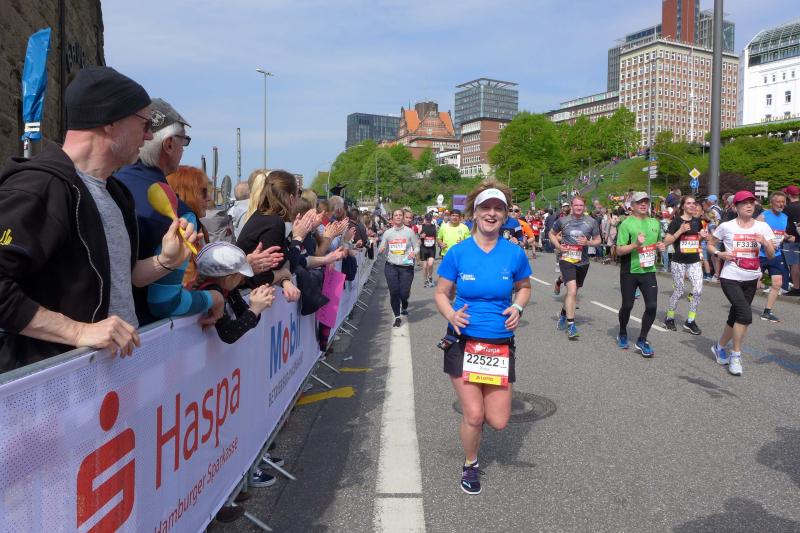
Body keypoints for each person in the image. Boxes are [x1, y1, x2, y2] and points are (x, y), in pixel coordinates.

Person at [0, 66, 199, 370]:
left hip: (112, 378)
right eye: (144, 124)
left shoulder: (116, 192)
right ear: (110, 122)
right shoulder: (41, 186)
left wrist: (166, 261)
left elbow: (125, 276)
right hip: (58, 384)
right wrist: (78, 332)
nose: (149, 136)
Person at [434, 180, 531, 495]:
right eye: (485, 208)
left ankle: (475, 430)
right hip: (463, 341)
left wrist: (518, 306)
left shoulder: (514, 254)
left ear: (505, 215)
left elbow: (524, 287)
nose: (491, 213)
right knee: (474, 415)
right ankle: (471, 463)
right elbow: (441, 293)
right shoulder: (458, 252)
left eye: (498, 209)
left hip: (498, 345)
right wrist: (451, 315)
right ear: (474, 213)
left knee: (499, 421)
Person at [116, 98, 225, 327]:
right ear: (168, 145)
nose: (183, 150)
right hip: (139, 335)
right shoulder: (179, 214)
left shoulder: (108, 185)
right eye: (184, 142)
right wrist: (213, 298)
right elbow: (166, 303)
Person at [707, 191, 775, 376]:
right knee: (744, 315)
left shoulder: (762, 227)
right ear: (736, 207)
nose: (749, 205)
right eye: (744, 203)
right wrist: (720, 254)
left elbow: (771, 255)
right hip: (730, 277)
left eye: (752, 202)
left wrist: (765, 243)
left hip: (751, 278)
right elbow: (711, 244)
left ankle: (719, 347)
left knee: (735, 316)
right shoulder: (726, 226)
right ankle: (735, 355)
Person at [236, 170, 303, 301]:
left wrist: (284, 280)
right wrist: (284, 273)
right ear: (291, 198)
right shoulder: (274, 222)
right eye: (298, 195)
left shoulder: (262, 216)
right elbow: (261, 277)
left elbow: (270, 266)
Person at [615, 192, 665, 357]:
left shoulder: (655, 223)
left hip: (648, 271)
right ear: (632, 206)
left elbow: (657, 242)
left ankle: (642, 340)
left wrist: (660, 246)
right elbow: (619, 250)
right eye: (639, 202)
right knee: (627, 305)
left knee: (652, 306)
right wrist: (635, 244)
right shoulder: (626, 224)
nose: (643, 205)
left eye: (646, 202)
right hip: (629, 271)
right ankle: (622, 332)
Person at [195, 242, 275, 344]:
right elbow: (229, 334)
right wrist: (255, 309)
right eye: (241, 275)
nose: (243, 279)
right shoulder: (212, 290)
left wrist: (256, 305)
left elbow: (246, 316)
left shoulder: (228, 288)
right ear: (228, 279)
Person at [548, 196, 601, 339]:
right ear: (571, 206)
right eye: (576, 205)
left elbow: (598, 240)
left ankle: (563, 314)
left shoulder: (591, 222)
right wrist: (558, 246)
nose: (578, 207)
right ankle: (571, 325)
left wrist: (588, 243)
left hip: (583, 262)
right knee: (571, 291)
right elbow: (551, 234)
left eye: (581, 205)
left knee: (573, 293)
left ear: (585, 207)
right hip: (567, 259)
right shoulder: (563, 221)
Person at [662, 195, 708, 334]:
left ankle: (690, 321)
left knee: (698, 290)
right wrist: (680, 231)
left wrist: (702, 237)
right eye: (688, 203)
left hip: (694, 261)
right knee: (679, 291)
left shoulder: (697, 221)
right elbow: (666, 242)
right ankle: (669, 318)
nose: (692, 205)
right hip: (679, 261)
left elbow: (696, 241)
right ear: (682, 206)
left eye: (694, 203)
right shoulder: (676, 221)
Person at [756, 191, 794, 322]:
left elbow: (781, 233)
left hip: (775, 255)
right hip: (761, 255)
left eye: (783, 202)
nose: (781, 204)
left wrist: (787, 237)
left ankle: (767, 311)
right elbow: (754, 234)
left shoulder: (785, 217)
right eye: (778, 201)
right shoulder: (763, 216)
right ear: (771, 202)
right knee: (752, 283)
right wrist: (766, 243)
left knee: (777, 283)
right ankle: (741, 306)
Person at [378, 209, 419, 327]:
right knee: (394, 291)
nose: (398, 217)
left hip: (406, 267)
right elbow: (381, 246)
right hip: (391, 266)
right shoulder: (388, 233)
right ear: (392, 218)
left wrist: (414, 253)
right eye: (396, 215)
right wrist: (381, 249)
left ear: (403, 217)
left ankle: (404, 302)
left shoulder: (409, 232)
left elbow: (417, 247)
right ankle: (397, 316)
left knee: (404, 293)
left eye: (400, 215)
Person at [782, 185, 800, 295]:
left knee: (794, 264)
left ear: (788, 195)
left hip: (791, 239)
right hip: (797, 237)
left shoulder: (787, 208)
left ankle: (797, 288)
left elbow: (782, 224)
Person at [419, 212, 438, 287]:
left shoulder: (434, 226)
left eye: (429, 220)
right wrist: (421, 236)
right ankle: (425, 280)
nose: (428, 221)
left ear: (431, 219)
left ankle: (430, 277)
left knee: (430, 264)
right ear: (425, 219)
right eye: (427, 219)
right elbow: (418, 237)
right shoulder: (421, 226)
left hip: (432, 249)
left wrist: (439, 243)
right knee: (424, 266)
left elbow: (437, 236)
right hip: (423, 248)